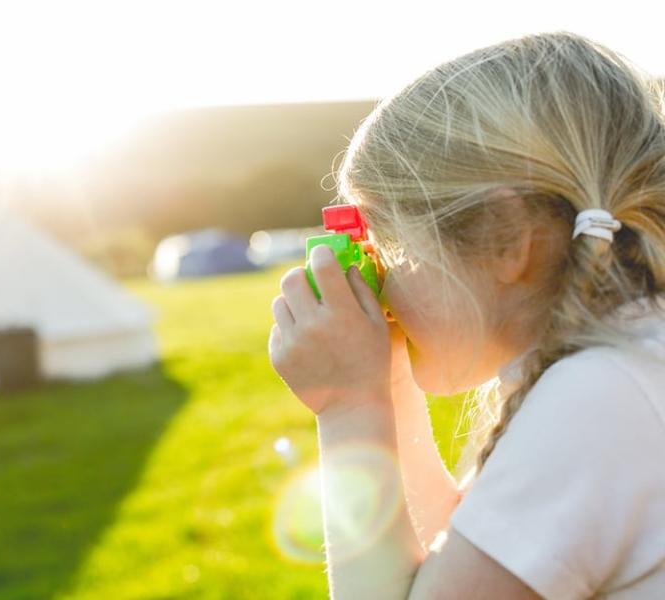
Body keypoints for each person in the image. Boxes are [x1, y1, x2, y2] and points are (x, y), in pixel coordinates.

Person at [269, 31, 665, 598]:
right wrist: (385, 382)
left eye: (387, 246)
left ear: (503, 237)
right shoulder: (626, 362)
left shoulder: (601, 397)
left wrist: (348, 405)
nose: (374, 278)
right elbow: (447, 568)